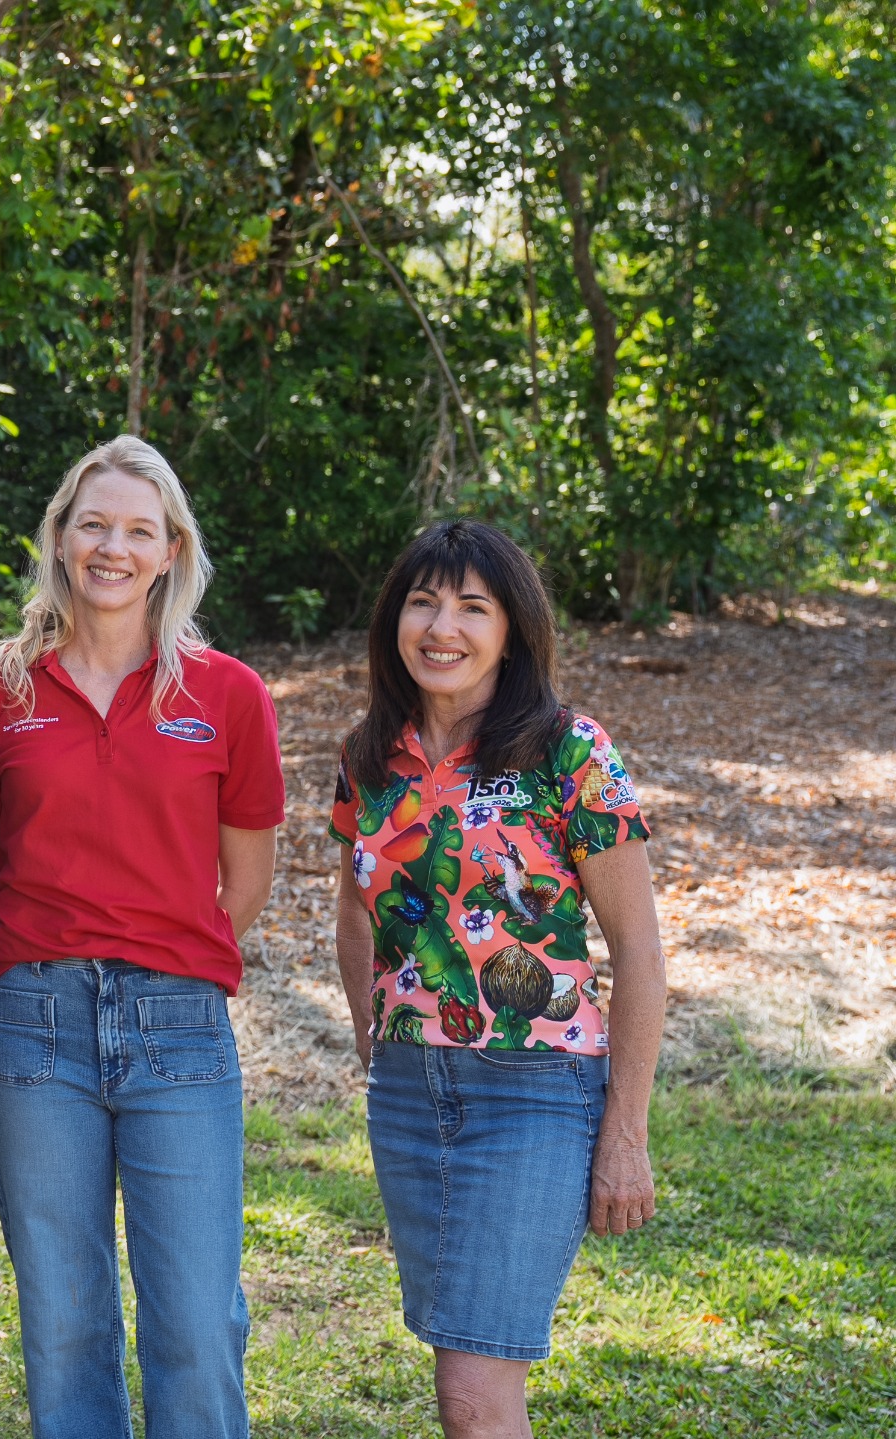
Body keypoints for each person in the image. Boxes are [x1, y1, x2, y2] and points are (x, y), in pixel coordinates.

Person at [0, 436, 281, 1439]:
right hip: (33, 1024)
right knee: (61, 1318)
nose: (112, 545)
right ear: (57, 537)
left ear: (170, 548)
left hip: (178, 1022)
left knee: (192, 1317)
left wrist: (162, 954)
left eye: (138, 528)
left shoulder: (226, 695)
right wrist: (42, 945)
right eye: (92, 522)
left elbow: (249, 875)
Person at [330, 519, 665, 1439]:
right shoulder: (370, 756)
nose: (443, 626)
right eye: (424, 600)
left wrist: (624, 1133)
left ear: (512, 630)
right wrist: (378, 1034)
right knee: (460, 1377)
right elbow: (355, 909)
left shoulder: (569, 753)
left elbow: (637, 951)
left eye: (473, 606)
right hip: (407, 1094)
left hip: (536, 1093)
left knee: (475, 1397)